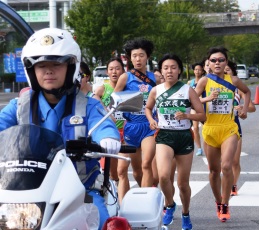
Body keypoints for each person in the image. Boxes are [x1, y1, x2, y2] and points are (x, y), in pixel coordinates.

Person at [0, 28, 121, 230]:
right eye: (41, 65)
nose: (48, 71)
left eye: (56, 64)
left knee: (98, 221)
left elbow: (104, 126)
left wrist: (108, 138)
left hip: (81, 190)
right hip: (27, 189)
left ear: (70, 67)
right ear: (32, 70)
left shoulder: (88, 105)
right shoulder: (19, 105)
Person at [145, 53, 206, 229]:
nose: (169, 71)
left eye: (173, 67)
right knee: (163, 176)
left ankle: (186, 214)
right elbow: (148, 108)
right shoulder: (156, 90)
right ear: (161, 71)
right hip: (164, 135)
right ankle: (170, 204)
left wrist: (186, 115)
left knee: (183, 183)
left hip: (183, 136)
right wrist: (151, 119)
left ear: (179, 70)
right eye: (166, 68)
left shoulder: (188, 90)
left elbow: (202, 115)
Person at [195, 46, 250, 222]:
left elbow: (247, 92)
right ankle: (218, 201)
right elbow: (193, 101)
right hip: (210, 128)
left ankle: (226, 203)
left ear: (226, 62)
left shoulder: (233, 80)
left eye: (221, 60)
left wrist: (244, 108)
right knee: (213, 171)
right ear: (208, 63)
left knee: (227, 166)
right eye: (213, 60)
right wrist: (207, 99)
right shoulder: (203, 81)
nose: (217, 63)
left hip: (229, 127)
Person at [114, 37, 160, 200]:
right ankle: (136, 200)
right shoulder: (125, 77)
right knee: (136, 171)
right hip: (131, 127)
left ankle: (145, 202)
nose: (137, 59)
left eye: (141, 55)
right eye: (134, 56)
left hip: (149, 126)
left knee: (147, 164)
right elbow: (114, 99)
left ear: (147, 56)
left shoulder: (156, 78)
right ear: (130, 58)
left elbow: (163, 99)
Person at [224, 61, 256, 196]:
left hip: (235, 126)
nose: (225, 73)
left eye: (228, 70)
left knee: (235, 161)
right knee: (224, 162)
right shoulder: (214, 88)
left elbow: (252, 108)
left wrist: (242, 108)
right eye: (224, 71)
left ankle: (233, 185)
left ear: (233, 73)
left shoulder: (238, 90)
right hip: (219, 127)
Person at [94, 57, 126, 192]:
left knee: (122, 169)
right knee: (113, 172)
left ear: (123, 71)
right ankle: (116, 188)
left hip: (127, 131)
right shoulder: (103, 89)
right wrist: (107, 113)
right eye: (111, 69)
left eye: (117, 69)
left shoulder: (128, 87)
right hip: (111, 132)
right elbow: (94, 101)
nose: (114, 72)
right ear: (107, 72)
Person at [187, 62, 205, 156]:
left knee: (206, 127)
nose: (197, 71)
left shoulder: (205, 81)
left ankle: (209, 145)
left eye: (199, 69)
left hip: (203, 107)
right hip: (194, 107)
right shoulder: (190, 82)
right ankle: (199, 148)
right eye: (196, 69)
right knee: (195, 127)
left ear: (202, 71)